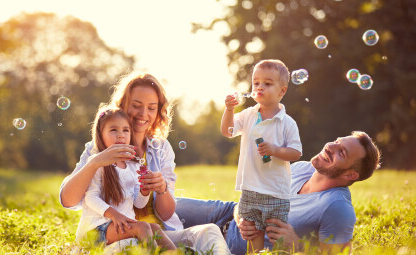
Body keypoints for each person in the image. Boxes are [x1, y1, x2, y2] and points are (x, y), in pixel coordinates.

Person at [60, 72, 231, 254]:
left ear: (158, 111)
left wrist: (161, 188)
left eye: (151, 108)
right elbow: (68, 200)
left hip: (158, 234)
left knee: (209, 231)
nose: (143, 114)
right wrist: (95, 162)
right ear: (122, 105)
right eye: (136, 105)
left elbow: (164, 213)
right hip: (118, 236)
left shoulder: (161, 148)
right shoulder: (100, 148)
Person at [175, 131, 381, 254]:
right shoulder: (302, 168)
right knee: (160, 204)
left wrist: (297, 246)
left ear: (351, 175)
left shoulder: (337, 208)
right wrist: (240, 215)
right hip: (227, 213)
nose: (330, 147)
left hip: (233, 247)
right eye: (337, 141)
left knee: (162, 237)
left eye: (341, 152)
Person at [221, 59, 302, 252]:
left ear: (282, 91)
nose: (259, 87)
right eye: (256, 83)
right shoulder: (249, 115)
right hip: (250, 188)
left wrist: (275, 150)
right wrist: (229, 110)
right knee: (252, 232)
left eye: (267, 83)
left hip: (275, 190)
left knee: (277, 234)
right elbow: (228, 131)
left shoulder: (287, 123)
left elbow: (296, 152)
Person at [77, 106, 175, 250]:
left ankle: (177, 253)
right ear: (100, 134)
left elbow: (139, 203)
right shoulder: (97, 162)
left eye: (125, 130)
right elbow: (90, 198)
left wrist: (144, 191)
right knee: (142, 228)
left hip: (121, 226)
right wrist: (115, 215)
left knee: (154, 228)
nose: (121, 135)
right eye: (113, 130)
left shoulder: (132, 166)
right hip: (96, 229)